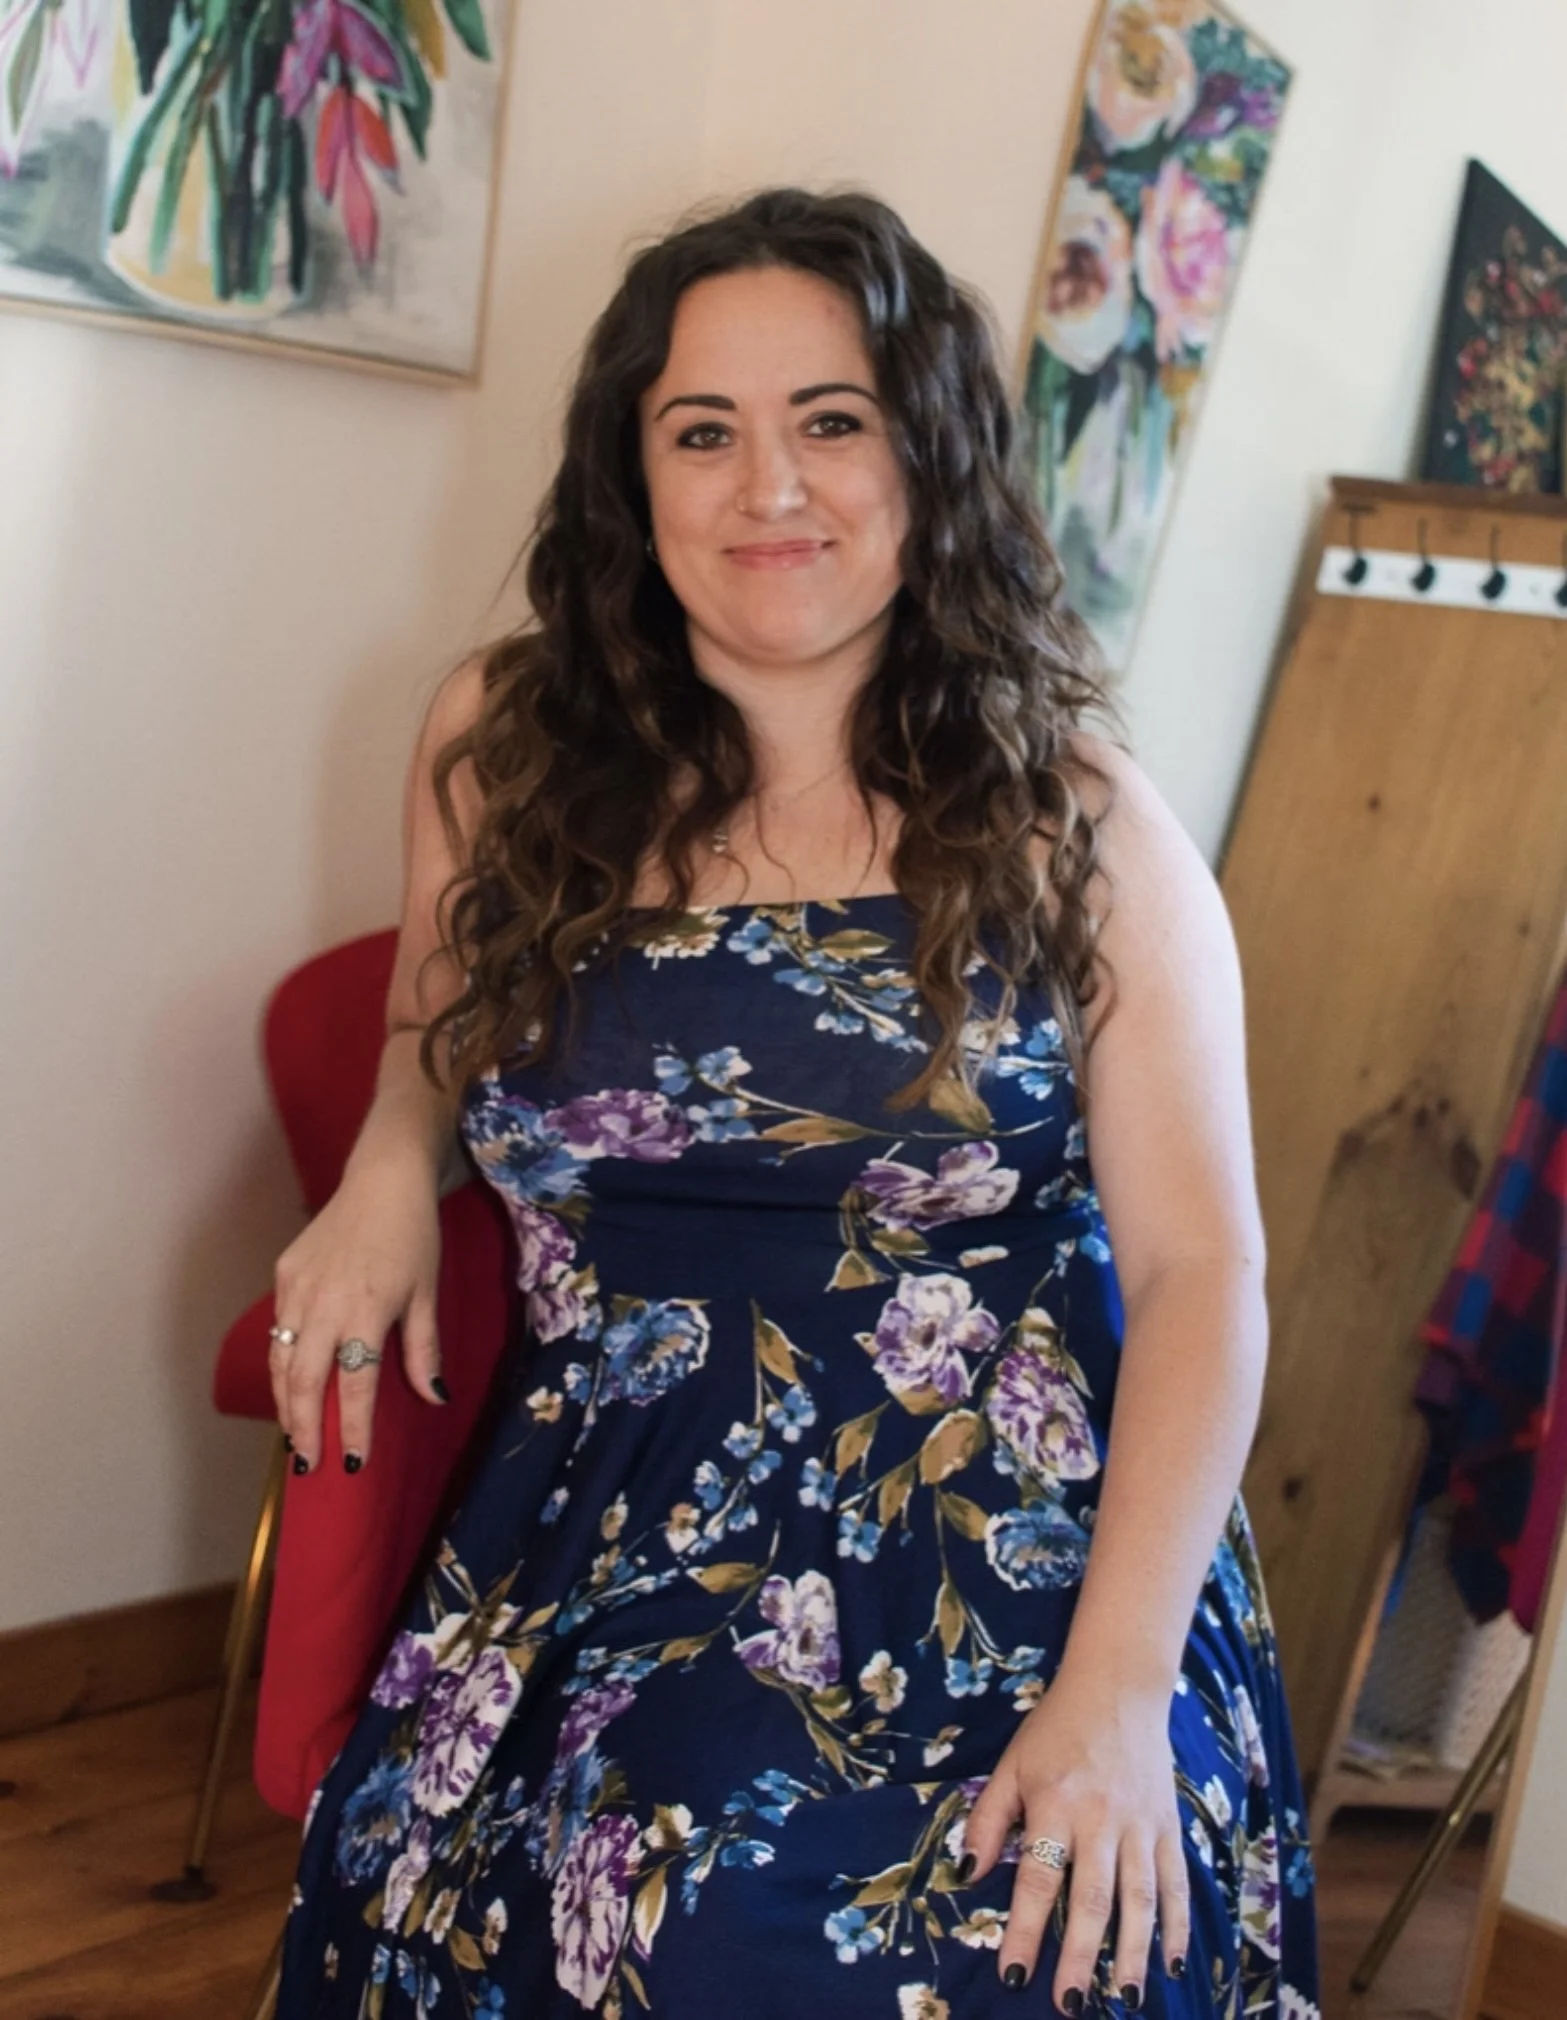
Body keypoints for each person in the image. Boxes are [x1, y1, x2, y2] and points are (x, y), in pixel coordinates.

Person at [269, 187, 1319, 2019]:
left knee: (950, 1950)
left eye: (830, 421)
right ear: (633, 477)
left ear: (927, 459)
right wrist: (382, 1166)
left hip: (1013, 1547)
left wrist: (1117, 1695)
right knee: (539, 1903)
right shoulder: (497, 751)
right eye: (703, 432)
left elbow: (1201, 1274)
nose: (769, 486)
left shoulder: (1077, 828)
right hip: (599, 1523)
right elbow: (435, 1020)